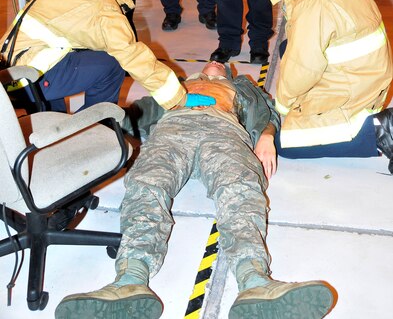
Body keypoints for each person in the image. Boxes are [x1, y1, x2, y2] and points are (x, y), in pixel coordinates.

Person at [54, 61, 335, 319]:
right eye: (210, 61)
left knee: (241, 187)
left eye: (221, 64)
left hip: (223, 131)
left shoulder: (242, 87)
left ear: (228, 74)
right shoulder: (174, 86)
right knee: (146, 184)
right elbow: (138, 113)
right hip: (172, 131)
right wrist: (101, 124)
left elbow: (267, 111)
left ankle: (255, 280)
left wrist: (267, 136)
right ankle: (130, 280)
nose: (215, 62)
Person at [254, 0, 393, 176]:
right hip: (365, 75)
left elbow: (303, 67)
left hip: (357, 92)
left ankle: (378, 129)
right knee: (288, 48)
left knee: (284, 143)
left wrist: (278, 113)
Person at [0, 0, 214, 113]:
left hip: (8, 68)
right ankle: (98, 127)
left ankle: (52, 120)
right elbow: (134, 57)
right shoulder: (106, 12)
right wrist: (179, 98)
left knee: (91, 54)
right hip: (24, 79)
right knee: (113, 64)